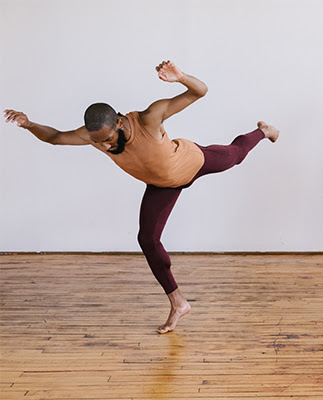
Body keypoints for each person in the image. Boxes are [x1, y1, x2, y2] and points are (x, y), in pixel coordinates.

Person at [4, 60, 279, 333]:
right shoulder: (93, 136)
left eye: (108, 138)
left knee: (236, 155)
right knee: (147, 239)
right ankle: (178, 302)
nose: (104, 145)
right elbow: (55, 137)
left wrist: (181, 77)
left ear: (120, 122)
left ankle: (264, 130)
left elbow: (200, 91)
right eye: (98, 141)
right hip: (162, 185)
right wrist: (29, 124)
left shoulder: (149, 119)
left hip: (191, 161)